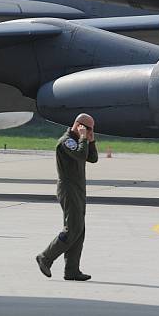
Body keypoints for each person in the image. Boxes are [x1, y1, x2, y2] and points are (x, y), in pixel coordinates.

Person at [36, 113, 98, 281]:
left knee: (79, 229)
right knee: (72, 228)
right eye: (88, 128)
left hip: (78, 188)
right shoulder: (67, 141)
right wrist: (84, 138)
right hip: (68, 188)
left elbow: (92, 158)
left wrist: (91, 140)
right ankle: (45, 257)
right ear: (79, 125)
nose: (90, 131)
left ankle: (72, 270)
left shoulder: (80, 141)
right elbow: (80, 155)